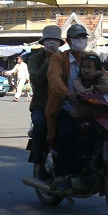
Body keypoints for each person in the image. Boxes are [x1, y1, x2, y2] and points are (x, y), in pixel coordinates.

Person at [46, 23, 108, 192]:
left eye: (83, 37)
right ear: (68, 41)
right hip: (67, 106)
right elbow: (54, 78)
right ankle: (62, 175)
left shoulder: (90, 59)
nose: (81, 41)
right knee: (69, 133)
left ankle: (99, 167)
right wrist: (67, 92)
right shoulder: (58, 58)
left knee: (107, 131)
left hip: (92, 108)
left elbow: (107, 78)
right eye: (77, 38)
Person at [27, 25, 65, 179]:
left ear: (59, 43)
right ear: (43, 42)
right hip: (40, 106)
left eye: (55, 40)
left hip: (61, 105)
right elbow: (36, 81)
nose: (52, 43)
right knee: (41, 125)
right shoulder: (34, 58)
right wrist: (48, 60)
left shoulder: (64, 58)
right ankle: (38, 163)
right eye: (48, 40)